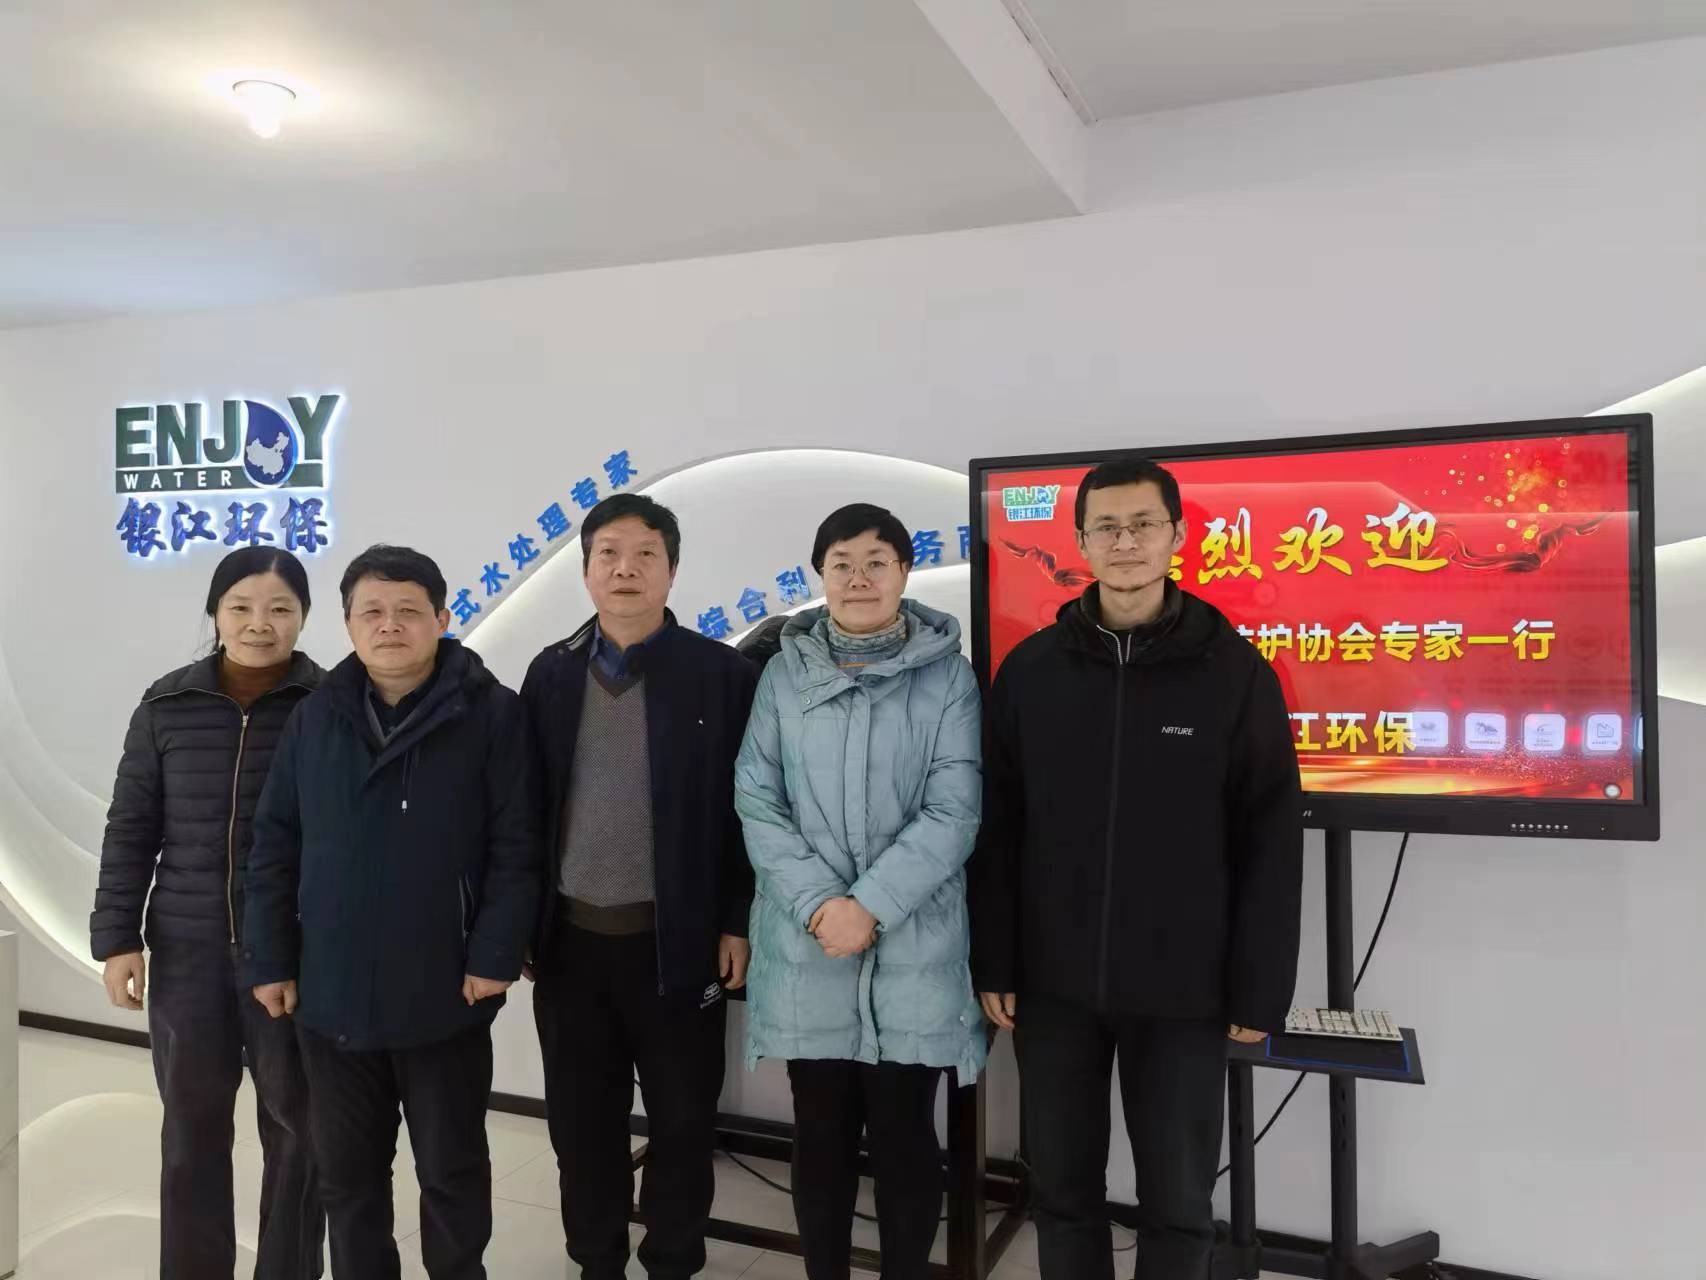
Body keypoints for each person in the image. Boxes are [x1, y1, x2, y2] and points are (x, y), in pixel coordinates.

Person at [970, 457, 1304, 1280]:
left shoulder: (1236, 674)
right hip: (1053, 986)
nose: (1125, 542)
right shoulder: (1031, 671)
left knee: (1180, 1207)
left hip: (1185, 992)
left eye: (1143, 524)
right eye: (1107, 527)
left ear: (1177, 535)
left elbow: (1270, 841)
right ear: (1081, 541)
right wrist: (996, 960)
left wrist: (1259, 988)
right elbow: (998, 828)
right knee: (1062, 1194)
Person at [241, 544, 541, 1280]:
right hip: (332, 996)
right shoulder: (315, 718)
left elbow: (519, 844)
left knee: (451, 1174)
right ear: (347, 624)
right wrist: (270, 959)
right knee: (348, 1180)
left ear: (442, 618)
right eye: (371, 611)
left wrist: (495, 955)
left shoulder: (492, 713)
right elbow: (274, 844)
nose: (390, 625)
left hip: (446, 992)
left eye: (409, 610)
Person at [735, 503, 984, 1280]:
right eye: (841, 564)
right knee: (820, 1137)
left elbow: (955, 810)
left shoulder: (948, 676)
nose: (859, 578)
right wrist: (822, 906)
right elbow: (757, 799)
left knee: (907, 1140)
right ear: (821, 576)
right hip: (808, 945)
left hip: (913, 947)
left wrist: (868, 906)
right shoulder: (782, 674)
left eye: (877, 562)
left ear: (905, 571)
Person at [520, 494, 758, 1280]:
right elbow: (524, 810)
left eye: (645, 554)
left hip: (678, 943)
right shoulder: (551, 673)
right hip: (570, 948)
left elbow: (749, 810)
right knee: (581, 1127)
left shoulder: (722, 674)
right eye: (609, 554)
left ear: (672, 569)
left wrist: (735, 918)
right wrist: (521, 926)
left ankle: (672, 1261)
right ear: (586, 570)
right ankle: (596, 1260)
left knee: (684, 1124)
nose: (626, 569)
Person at [91, 545, 326, 1280]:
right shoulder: (166, 705)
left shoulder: (329, 705)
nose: (260, 623)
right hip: (187, 953)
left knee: (302, 1132)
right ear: (216, 613)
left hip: (293, 957)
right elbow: (131, 827)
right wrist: (117, 939)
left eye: (281, 609)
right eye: (241, 607)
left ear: (304, 617)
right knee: (191, 1133)